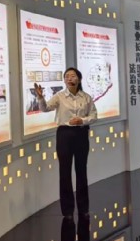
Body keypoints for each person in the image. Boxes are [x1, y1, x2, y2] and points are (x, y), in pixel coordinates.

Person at [34, 67, 97, 218]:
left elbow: (94, 116)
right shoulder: (60, 96)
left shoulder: (86, 97)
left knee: (81, 171)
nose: (69, 78)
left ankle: (83, 208)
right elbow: (45, 108)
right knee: (64, 172)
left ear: (79, 79)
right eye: (67, 76)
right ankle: (67, 211)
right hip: (64, 135)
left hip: (81, 134)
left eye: (73, 76)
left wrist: (82, 120)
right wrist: (40, 98)